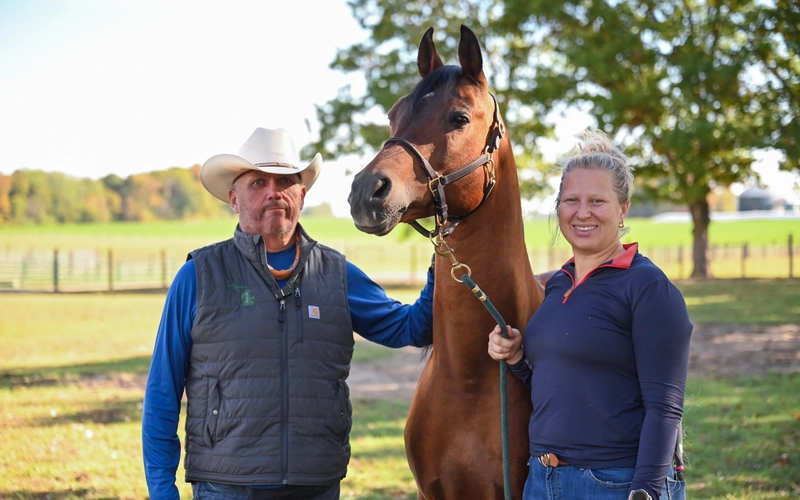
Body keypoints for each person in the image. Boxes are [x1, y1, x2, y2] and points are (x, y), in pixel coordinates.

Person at [142, 127, 434, 500]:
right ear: (234, 199)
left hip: (315, 483)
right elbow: (162, 391)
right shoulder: (199, 275)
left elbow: (411, 328)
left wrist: (442, 258)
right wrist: (162, 491)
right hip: (225, 484)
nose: (273, 192)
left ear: (302, 194)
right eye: (258, 182)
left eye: (285, 181)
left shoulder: (336, 273)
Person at [487, 130, 692, 500]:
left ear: (623, 208)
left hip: (614, 482)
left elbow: (665, 408)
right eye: (571, 200)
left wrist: (644, 490)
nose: (582, 213)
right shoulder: (557, 283)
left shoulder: (647, 288)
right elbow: (561, 389)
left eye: (597, 201)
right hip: (543, 480)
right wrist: (517, 357)